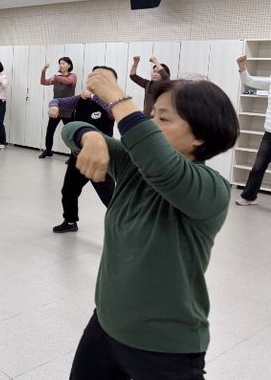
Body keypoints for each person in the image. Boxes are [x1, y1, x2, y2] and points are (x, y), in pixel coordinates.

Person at [63, 68, 239, 380]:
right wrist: (90, 136)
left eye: (164, 118)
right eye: (151, 114)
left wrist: (117, 98)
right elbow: (71, 130)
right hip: (106, 327)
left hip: (165, 348)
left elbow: (162, 166)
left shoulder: (211, 189)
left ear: (199, 136)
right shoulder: (132, 165)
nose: (151, 123)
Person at [48, 66, 116, 233]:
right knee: (69, 190)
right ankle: (70, 221)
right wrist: (54, 105)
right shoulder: (81, 99)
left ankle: (127, 226)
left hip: (99, 158)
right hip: (78, 155)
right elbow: (58, 101)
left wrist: (94, 96)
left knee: (109, 196)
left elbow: (112, 111)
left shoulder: (113, 101)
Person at [235, 55, 271, 205]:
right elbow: (250, 81)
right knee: (258, 167)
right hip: (269, 134)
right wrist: (242, 68)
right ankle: (249, 197)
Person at [40, 57, 77, 158]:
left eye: (63, 63)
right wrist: (43, 71)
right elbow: (43, 82)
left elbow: (68, 81)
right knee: (50, 131)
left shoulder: (72, 76)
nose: (61, 65)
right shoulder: (57, 78)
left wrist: (56, 77)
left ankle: (73, 156)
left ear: (69, 65)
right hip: (55, 109)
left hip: (68, 110)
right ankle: (48, 151)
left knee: (70, 133)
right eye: (60, 63)